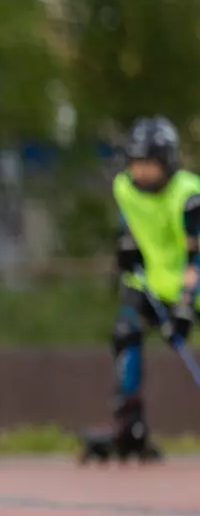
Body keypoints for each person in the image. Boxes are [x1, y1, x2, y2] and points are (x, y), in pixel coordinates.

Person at [81, 116, 200, 463]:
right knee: (124, 333)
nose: (142, 173)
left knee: (179, 332)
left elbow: (197, 256)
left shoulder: (189, 197)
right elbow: (129, 225)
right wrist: (126, 245)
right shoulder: (124, 187)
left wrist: (183, 307)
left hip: (189, 284)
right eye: (136, 164)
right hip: (147, 281)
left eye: (149, 165)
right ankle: (128, 418)